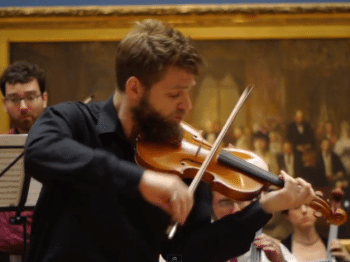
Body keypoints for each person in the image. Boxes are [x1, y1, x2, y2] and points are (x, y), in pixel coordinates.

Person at [24, 19, 317, 262]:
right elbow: (40, 151)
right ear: (135, 87)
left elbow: (193, 249)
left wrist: (263, 207)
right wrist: (139, 180)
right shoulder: (75, 121)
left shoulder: (181, 157)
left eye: (188, 92)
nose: (187, 105)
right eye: (175, 94)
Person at [0, 61, 48, 261]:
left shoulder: (66, 147)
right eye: (14, 99)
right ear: (4, 104)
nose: (23, 107)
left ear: (44, 99)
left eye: (30, 97)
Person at [212, 191, 297, 262]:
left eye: (242, 200)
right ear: (211, 207)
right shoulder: (201, 248)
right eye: (225, 203)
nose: (236, 209)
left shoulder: (276, 250)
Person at [282, 204, 350, 262]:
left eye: (308, 204)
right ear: (286, 216)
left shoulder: (333, 247)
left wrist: (347, 259)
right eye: (296, 207)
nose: (304, 210)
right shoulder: (281, 250)